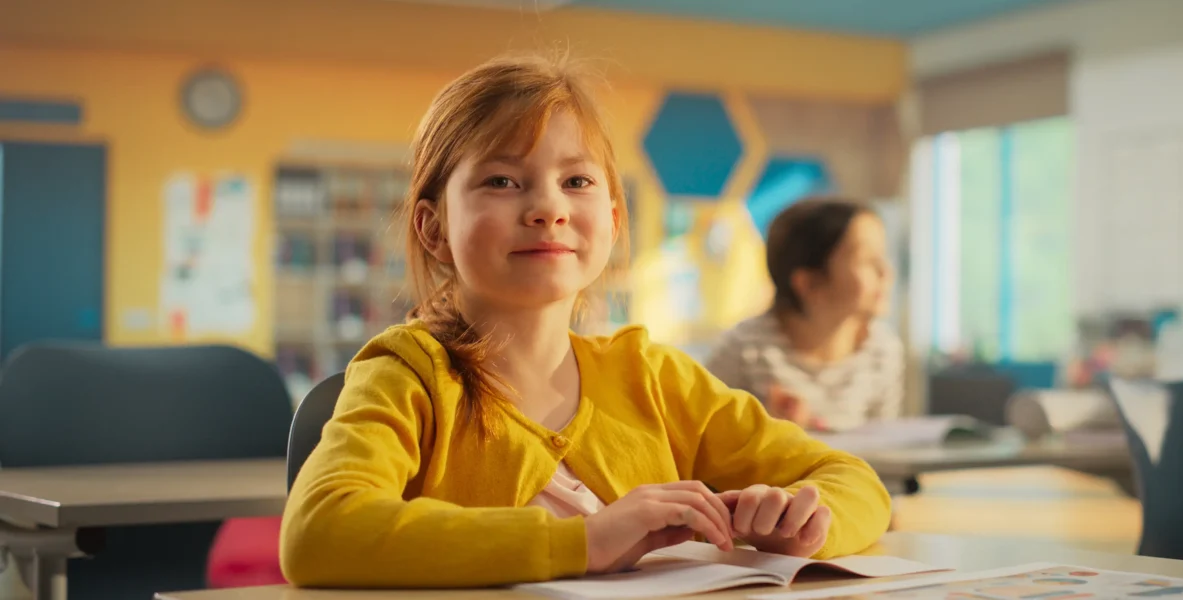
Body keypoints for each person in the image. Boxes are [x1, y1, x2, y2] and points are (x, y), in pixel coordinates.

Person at [279, 54, 891, 589]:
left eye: (576, 181)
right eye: (501, 181)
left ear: (615, 218)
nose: (548, 208)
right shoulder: (407, 377)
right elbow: (318, 529)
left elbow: (854, 481)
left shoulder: (653, 379)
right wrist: (581, 543)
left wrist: (806, 523)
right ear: (434, 229)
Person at [705, 199, 904, 432]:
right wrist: (765, 430)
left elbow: (884, 445)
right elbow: (704, 443)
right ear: (809, 283)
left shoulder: (882, 350)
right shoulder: (743, 351)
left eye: (883, 256)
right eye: (866, 260)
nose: (886, 271)